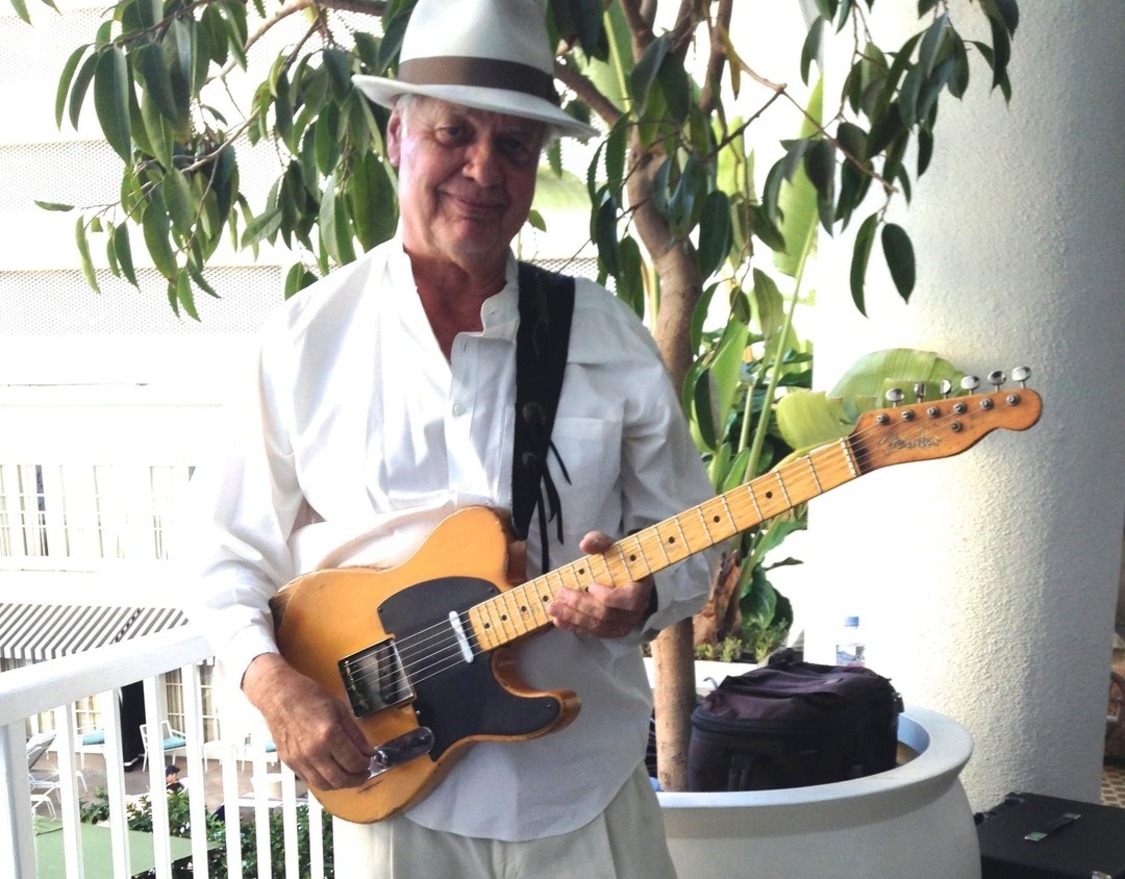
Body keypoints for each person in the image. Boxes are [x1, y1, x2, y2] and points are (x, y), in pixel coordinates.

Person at [184, 0, 716, 876]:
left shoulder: (607, 336)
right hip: (393, 796)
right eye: (453, 132)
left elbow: (691, 536)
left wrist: (644, 591)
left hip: (583, 792)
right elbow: (222, 552)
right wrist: (272, 683)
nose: (482, 167)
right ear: (397, 136)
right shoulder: (306, 338)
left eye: (514, 145)